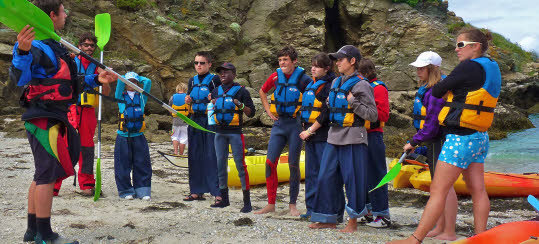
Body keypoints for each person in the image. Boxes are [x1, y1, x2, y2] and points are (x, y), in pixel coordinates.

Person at [10, 0, 117, 242]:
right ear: (51, 15)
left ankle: (32, 231)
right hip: (43, 117)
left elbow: (70, 84)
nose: (66, 14)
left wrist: (96, 80)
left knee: (41, 173)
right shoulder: (38, 47)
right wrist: (22, 52)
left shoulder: (55, 47)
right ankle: (46, 235)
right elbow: (20, 76)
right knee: (46, 175)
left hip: (51, 116)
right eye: (62, 11)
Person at [389, 27, 501, 244]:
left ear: (475, 46)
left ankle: (415, 238)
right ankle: (480, 238)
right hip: (479, 138)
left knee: (438, 190)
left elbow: (437, 90)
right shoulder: (492, 67)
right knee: (478, 191)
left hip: (459, 139)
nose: (456, 49)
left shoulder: (468, 66)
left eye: (460, 45)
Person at [308, 45, 378, 232]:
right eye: (336, 59)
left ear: (352, 61)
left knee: (353, 180)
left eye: (340, 59)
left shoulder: (362, 85)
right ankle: (328, 218)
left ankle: (353, 222)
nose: (337, 62)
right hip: (333, 136)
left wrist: (352, 102)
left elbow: (372, 115)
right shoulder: (336, 82)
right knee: (325, 177)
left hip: (353, 138)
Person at [405, 51, 458, 240]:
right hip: (437, 140)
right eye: (417, 68)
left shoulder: (436, 91)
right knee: (439, 186)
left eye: (421, 68)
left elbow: (432, 125)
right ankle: (440, 226)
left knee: (443, 186)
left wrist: (413, 141)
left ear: (432, 69)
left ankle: (449, 231)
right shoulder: (435, 87)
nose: (418, 71)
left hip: (440, 141)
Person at [255, 46, 313, 216]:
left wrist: (306, 121)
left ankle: (292, 205)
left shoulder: (304, 79)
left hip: (295, 125)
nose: (282, 63)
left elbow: (314, 98)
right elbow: (262, 91)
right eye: (280, 60)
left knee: (293, 164)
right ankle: (271, 203)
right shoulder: (275, 76)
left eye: (285, 60)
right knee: (269, 163)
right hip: (279, 125)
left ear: (294, 61)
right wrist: (268, 110)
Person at [53, 32, 111, 196]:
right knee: (64, 145)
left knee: (86, 147)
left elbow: (106, 92)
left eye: (92, 45)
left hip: (88, 111)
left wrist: (103, 75)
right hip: (71, 108)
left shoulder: (98, 66)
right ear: (79, 46)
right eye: (85, 45)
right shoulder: (70, 61)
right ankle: (54, 185)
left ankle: (87, 184)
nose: (89, 48)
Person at [209, 62, 256, 212]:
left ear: (234, 75)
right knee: (220, 165)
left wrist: (240, 105)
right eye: (220, 72)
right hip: (219, 133)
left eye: (226, 72)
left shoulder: (242, 91)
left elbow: (251, 113)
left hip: (235, 133)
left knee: (240, 166)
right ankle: (224, 200)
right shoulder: (215, 91)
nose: (222, 74)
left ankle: (247, 203)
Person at [298, 53, 337, 219]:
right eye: (312, 65)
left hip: (322, 134)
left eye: (317, 66)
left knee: (324, 174)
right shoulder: (311, 83)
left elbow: (326, 112)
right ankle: (311, 208)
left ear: (326, 68)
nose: (313, 68)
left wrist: (310, 129)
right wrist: (304, 127)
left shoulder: (329, 85)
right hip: (309, 135)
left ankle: (327, 210)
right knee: (311, 174)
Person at [356, 58, 391, 228]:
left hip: (373, 136)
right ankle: (368, 212)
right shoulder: (361, 87)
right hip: (360, 136)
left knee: (377, 174)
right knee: (363, 175)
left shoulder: (378, 88)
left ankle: (382, 215)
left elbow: (383, 114)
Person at [183, 51, 221, 201]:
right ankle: (196, 191)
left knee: (212, 155)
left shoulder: (214, 80)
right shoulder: (192, 81)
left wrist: (215, 99)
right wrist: (188, 99)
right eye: (196, 63)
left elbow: (222, 97)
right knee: (194, 155)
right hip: (194, 120)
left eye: (202, 63)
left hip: (209, 121)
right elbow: (190, 97)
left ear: (209, 64)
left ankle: (217, 192)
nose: (198, 65)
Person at [114, 72, 152, 200]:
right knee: (122, 165)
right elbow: (119, 82)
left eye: (134, 82)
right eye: (129, 82)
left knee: (142, 163)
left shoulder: (141, 97)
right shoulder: (120, 97)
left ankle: (143, 190)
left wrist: (138, 78)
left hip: (138, 136)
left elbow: (148, 82)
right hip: (123, 136)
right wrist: (125, 78)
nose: (132, 84)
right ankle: (125, 191)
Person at [169, 83, 189, 155]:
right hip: (185, 121)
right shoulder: (187, 97)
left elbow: (170, 109)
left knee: (174, 136)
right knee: (183, 138)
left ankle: (175, 152)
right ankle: (181, 154)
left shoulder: (172, 97)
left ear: (177, 89)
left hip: (175, 121)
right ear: (185, 89)